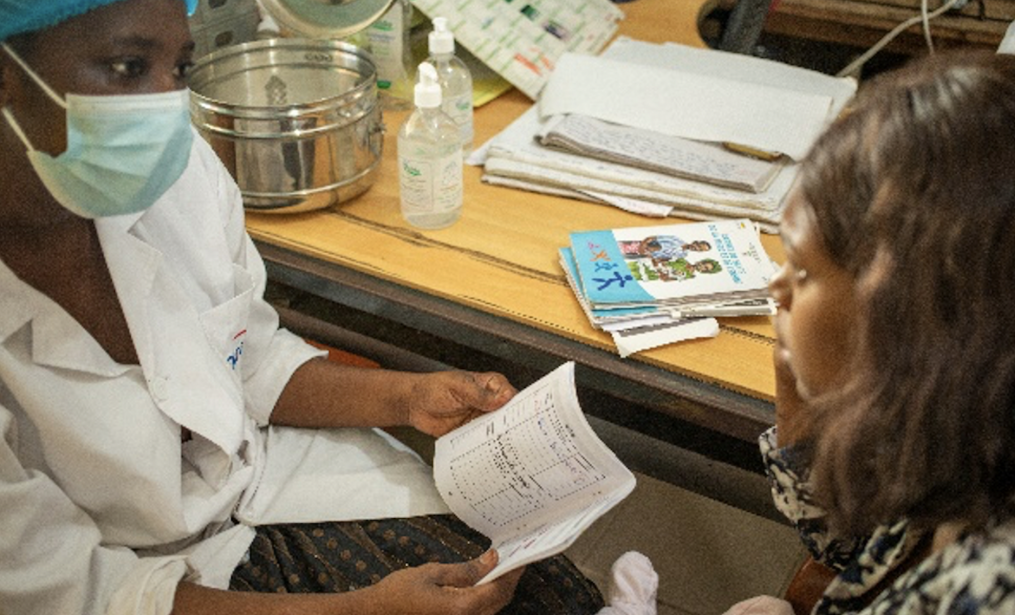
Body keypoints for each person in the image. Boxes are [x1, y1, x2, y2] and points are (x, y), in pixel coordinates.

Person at [0, 1, 606, 614]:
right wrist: (361, 611)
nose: (164, 104)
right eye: (128, 67)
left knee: (549, 592)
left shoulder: (173, 176)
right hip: (141, 583)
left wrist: (408, 398)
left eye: (180, 69)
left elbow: (249, 360)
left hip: (265, 483)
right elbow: (74, 592)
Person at [727, 50, 1015, 614]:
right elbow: (854, 553)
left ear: (912, 313)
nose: (777, 290)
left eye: (801, 269)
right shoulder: (976, 435)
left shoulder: (1003, 590)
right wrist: (802, 405)